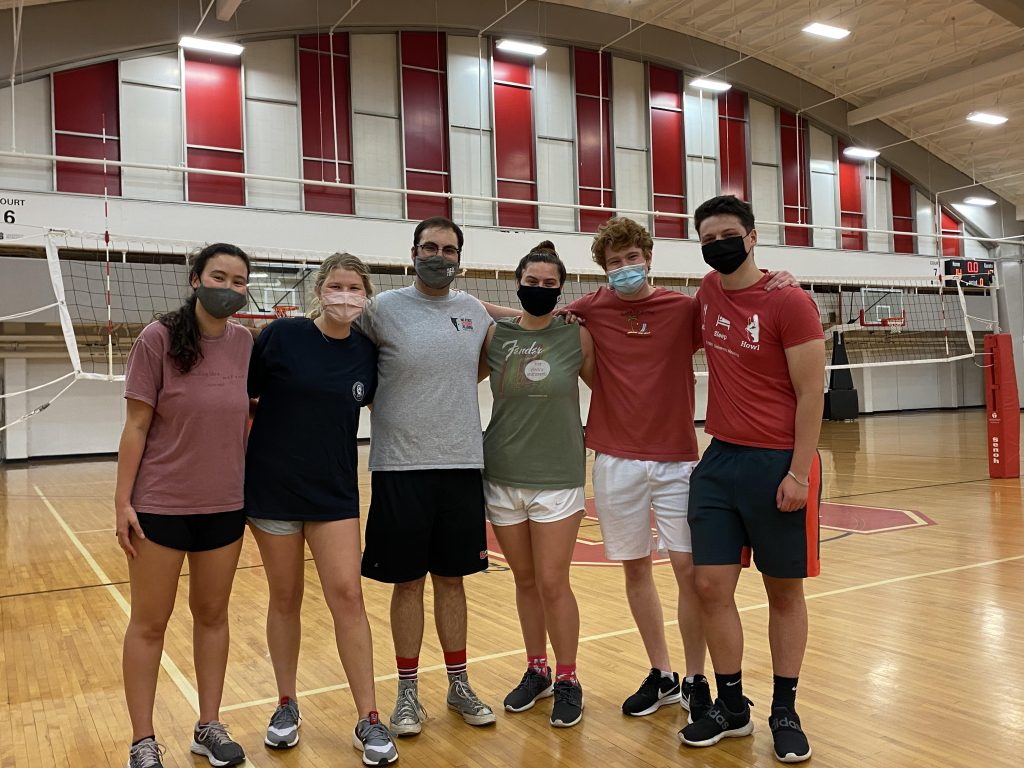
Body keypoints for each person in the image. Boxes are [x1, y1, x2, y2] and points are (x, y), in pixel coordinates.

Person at [479, 218, 794, 725]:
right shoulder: (589, 310)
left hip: (677, 461)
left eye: (632, 258)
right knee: (636, 570)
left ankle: (696, 680)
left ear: (648, 257)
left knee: (690, 575)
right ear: (602, 270)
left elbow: (737, 304)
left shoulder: (685, 308)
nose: (624, 268)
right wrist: (474, 307)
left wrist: (780, 279)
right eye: (614, 262)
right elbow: (533, 316)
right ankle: (662, 673)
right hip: (614, 459)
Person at [680, 195, 824, 764]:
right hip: (718, 461)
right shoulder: (708, 292)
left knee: (783, 591)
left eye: (727, 233)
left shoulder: (790, 301)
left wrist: (798, 473)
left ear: (752, 236)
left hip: (776, 462)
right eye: (707, 236)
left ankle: (784, 710)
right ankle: (731, 706)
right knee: (710, 587)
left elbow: (812, 393)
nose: (718, 243)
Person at [244, 253, 398, 765]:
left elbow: (385, 405)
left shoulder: (366, 353)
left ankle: (369, 717)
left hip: (334, 494)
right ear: (318, 290)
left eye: (355, 286)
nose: (345, 294)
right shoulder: (281, 337)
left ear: (366, 293)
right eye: (336, 285)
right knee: (284, 597)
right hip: (273, 490)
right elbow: (243, 401)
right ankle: (286, 703)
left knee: (348, 597)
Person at [357, 216, 496, 736]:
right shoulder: (381, 309)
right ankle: (408, 692)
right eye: (431, 247)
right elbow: (353, 365)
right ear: (413, 252)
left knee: (453, 580)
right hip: (399, 467)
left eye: (450, 248)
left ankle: (458, 684)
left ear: (461, 257)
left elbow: (477, 364)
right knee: (407, 582)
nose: (440, 255)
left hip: (461, 464)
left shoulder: (473, 311)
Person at [115, 243, 252, 768]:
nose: (229, 288)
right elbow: (135, 425)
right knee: (150, 622)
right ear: (195, 280)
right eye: (219, 276)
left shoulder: (244, 344)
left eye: (239, 281)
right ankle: (143, 741)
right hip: (161, 506)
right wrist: (122, 501)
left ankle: (209, 725)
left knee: (212, 616)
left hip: (225, 505)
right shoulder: (159, 338)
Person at [480, 241, 595, 727]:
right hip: (502, 472)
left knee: (552, 581)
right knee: (524, 581)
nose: (540, 290)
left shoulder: (577, 336)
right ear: (518, 284)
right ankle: (537, 669)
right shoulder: (496, 336)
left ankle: (568, 676)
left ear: (561, 289)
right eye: (532, 283)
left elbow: (611, 390)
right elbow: (456, 380)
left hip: (557, 476)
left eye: (550, 284)